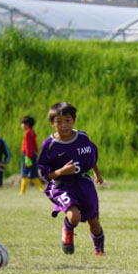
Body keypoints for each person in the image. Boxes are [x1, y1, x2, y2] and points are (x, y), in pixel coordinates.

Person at [38, 102, 105, 255]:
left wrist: (97, 174)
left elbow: (91, 157)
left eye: (67, 120)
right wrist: (61, 171)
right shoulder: (49, 145)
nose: (64, 125)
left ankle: (99, 251)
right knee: (74, 216)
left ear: (73, 120)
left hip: (83, 183)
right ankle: (67, 231)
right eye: (58, 122)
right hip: (61, 185)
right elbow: (45, 174)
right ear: (52, 123)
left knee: (94, 221)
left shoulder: (82, 137)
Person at [20, 116, 44, 194]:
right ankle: (41, 189)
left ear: (27, 124)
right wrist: (34, 153)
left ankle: (22, 192)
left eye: (23, 123)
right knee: (33, 174)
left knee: (24, 173)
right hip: (32, 154)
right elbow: (34, 145)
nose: (21, 125)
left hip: (28, 155)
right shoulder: (32, 132)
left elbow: (28, 146)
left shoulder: (27, 133)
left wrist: (27, 156)